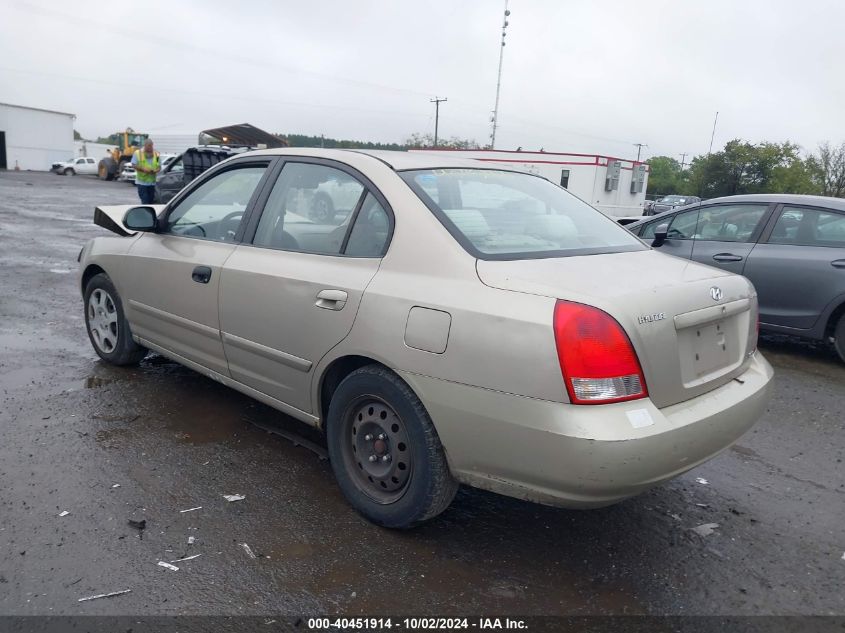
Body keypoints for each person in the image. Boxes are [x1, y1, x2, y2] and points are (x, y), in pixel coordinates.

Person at [131, 139, 160, 204]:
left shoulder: (156, 154)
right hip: (142, 183)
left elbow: (159, 167)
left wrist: (155, 170)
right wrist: (143, 169)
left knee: (150, 202)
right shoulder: (137, 153)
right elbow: (133, 164)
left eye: (152, 146)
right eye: (149, 146)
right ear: (145, 145)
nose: (151, 147)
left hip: (152, 183)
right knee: (145, 201)